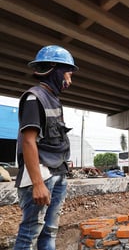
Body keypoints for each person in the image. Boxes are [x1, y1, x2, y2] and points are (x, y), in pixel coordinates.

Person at [14, 45, 78, 250]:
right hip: (42, 175)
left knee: (49, 231)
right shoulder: (35, 98)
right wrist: (38, 184)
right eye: (67, 72)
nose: (69, 79)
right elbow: (29, 141)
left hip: (57, 172)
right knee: (29, 234)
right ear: (54, 69)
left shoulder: (53, 99)